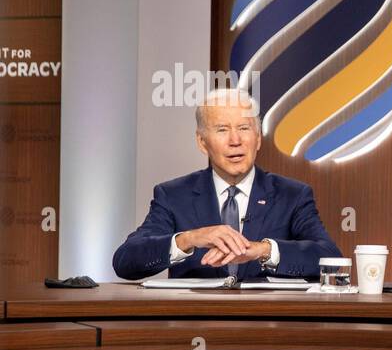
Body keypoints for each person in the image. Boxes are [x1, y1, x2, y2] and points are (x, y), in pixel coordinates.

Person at [112, 88, 342, 281]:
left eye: (244, 128)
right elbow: (125, 261)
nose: (235, 141)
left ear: (258, 138)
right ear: (202, 142)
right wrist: (189, 239)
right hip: (196, 324)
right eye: (222, 130)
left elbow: (330, 258)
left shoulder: (292, 195)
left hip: (267, 325)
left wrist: (264, 250)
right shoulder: (173, 195)